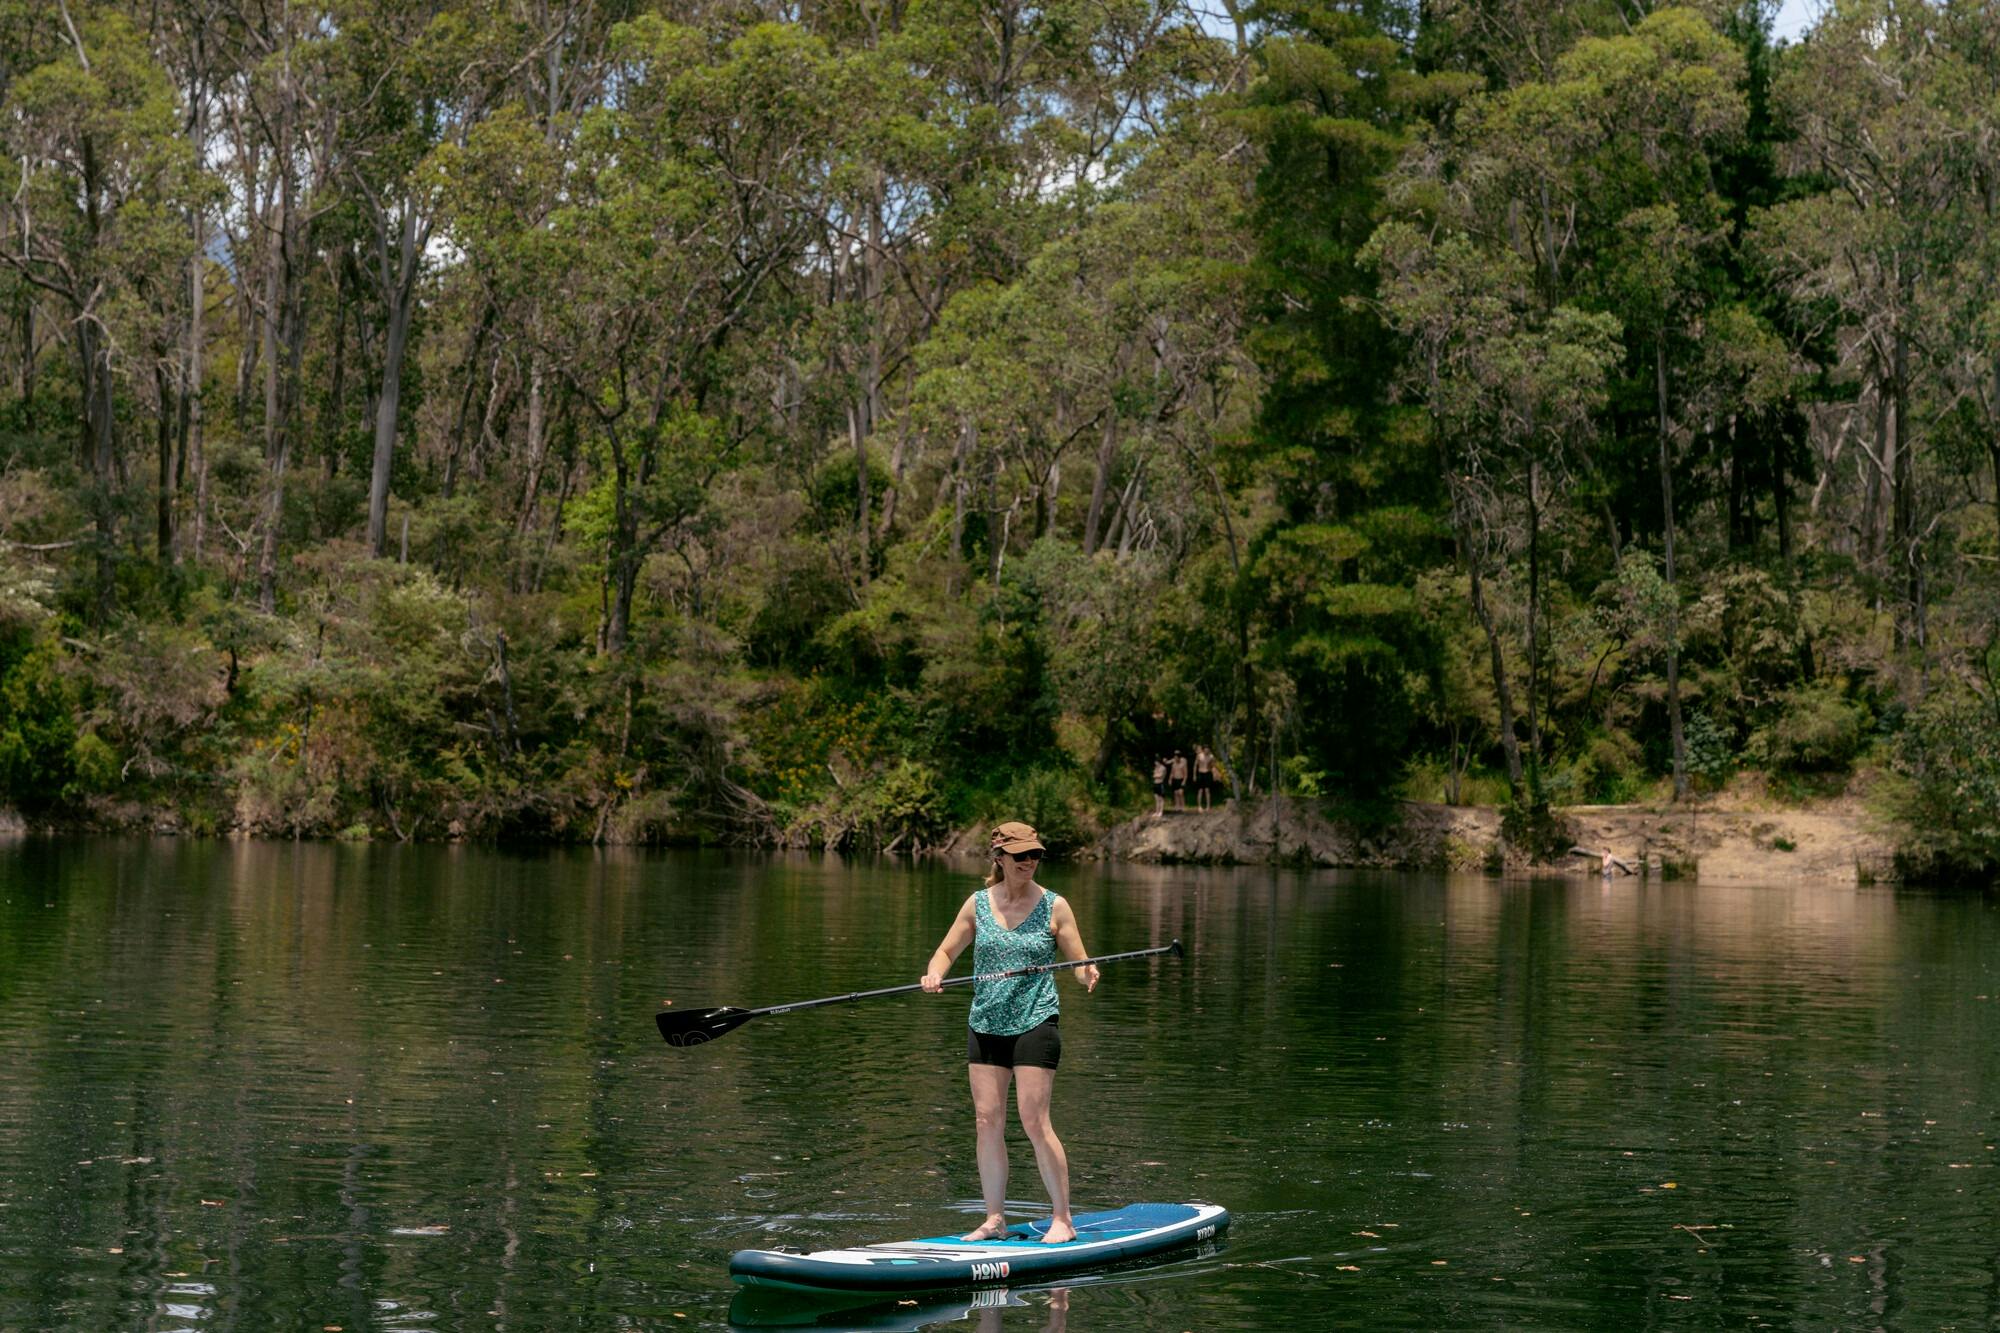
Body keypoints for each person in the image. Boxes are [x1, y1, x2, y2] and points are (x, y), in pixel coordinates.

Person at [922, 821, 1099, 1245]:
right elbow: (947, 950)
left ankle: (1063, 1219)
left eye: (1035, 854)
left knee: (1034, 1121)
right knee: (987, 1120)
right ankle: (994, 1218)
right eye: (1021, 856)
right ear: (999, 857)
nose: (1030, 862)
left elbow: (1078, 960)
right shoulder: (977, 904)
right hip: (985, 1023)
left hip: (1036, 1021)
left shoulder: (1055, 906)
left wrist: (1085, 971)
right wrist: (934, 973)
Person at [1193, 744, 1215, 811]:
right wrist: (1194, 775)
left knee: (1207, 790)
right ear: (1203, 750)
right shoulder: (1199, 756)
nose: (1206, 751)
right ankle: (1199, 806)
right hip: (1200, 773)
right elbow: (1195, 765)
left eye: (1207, 750)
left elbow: (1213, 765)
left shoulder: (1211, 756)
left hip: (1207, 773)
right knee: (1200, 790)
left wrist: (1213, 773)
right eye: (1205, 750)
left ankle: (1208, 806)